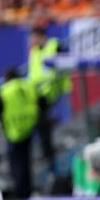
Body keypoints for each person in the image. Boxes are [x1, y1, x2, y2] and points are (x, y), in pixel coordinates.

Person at [27, 26, 72, 171]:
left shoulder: (55, 45)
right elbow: (32, 74)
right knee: (39, 128)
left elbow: (63, 66)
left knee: (46, 128)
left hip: (52, 92)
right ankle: (45, 156)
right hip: (36, 94)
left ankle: (50, 160)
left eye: (33, 37)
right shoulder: (34, 51)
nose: (31, 41)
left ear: (41, 36)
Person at [0, 68, 39, 198]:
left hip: (13, 132)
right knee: (26, 163)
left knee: (16, 165)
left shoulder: (5, 90)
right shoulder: (28, 87)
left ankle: (19, 193)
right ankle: (27, 191)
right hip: (28, 129)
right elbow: (37, 104)